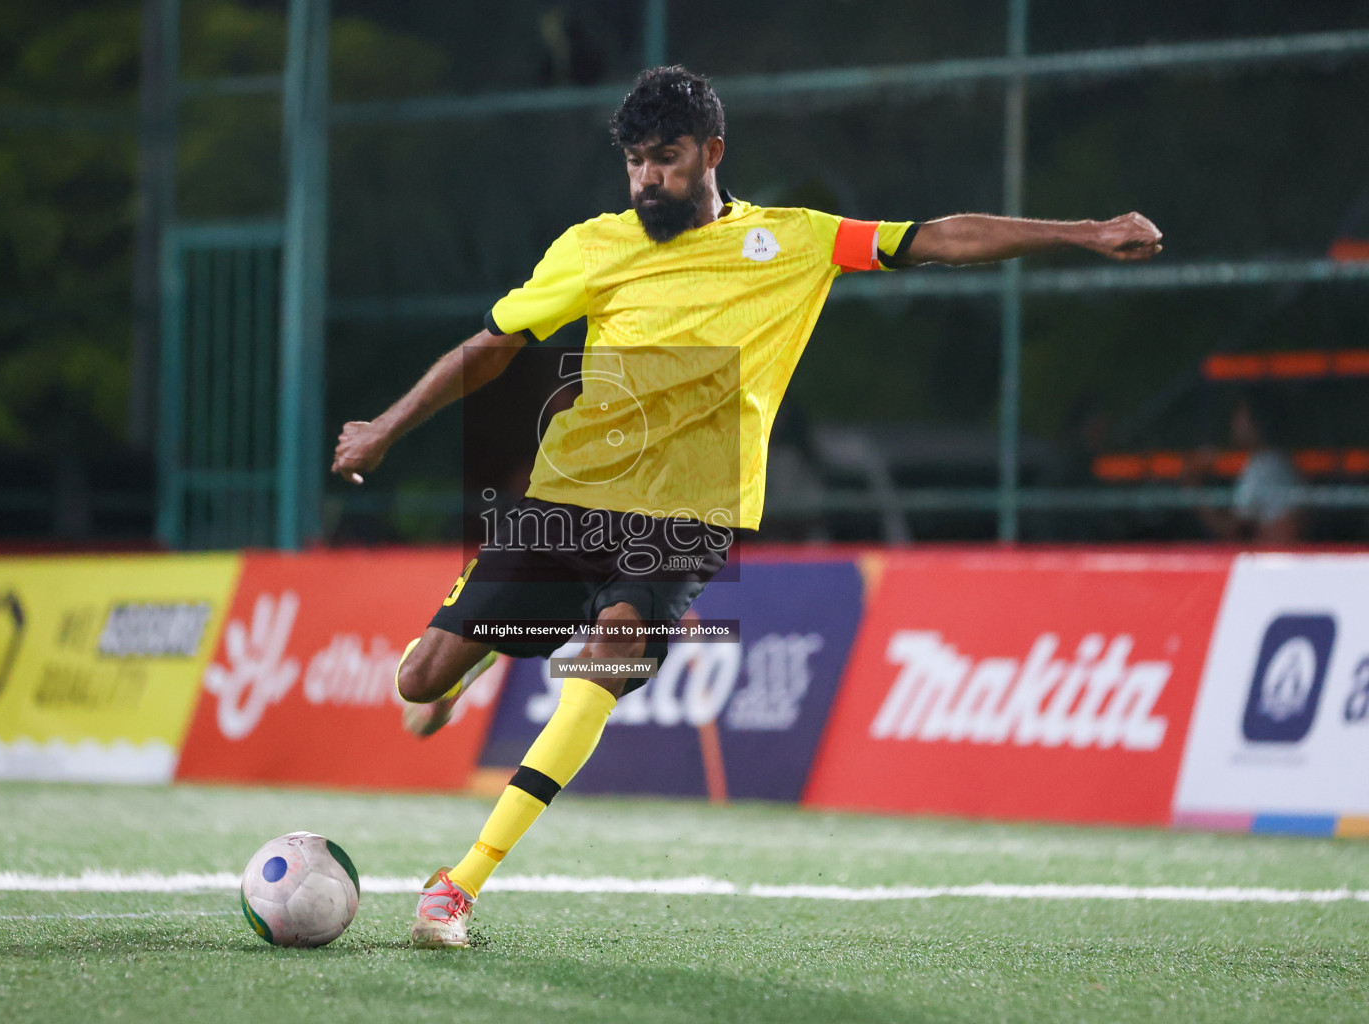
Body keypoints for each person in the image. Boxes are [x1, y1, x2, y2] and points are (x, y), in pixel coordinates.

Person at [329, 65, 1163, 949]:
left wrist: (1083, 230)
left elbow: (936, 237)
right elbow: (491, 346)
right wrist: (386, 426)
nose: (649, 177)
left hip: (691, 512)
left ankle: (459, 884)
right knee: (418, 681)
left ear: (712, 154)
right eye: (636, 162)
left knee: (610, 655)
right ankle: (483, 658)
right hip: (570, 495)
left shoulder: (794, 242)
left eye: (668, 158)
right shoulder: (594, 247)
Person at [1191, 397, 1304, 543]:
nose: (1234, 425)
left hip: (1276, 556)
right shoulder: (1271, 461)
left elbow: (1230, 529)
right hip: (1277, 553)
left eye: (1240, 417)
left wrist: (1192, 483)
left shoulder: (1264, 467)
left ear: (1257, 423)